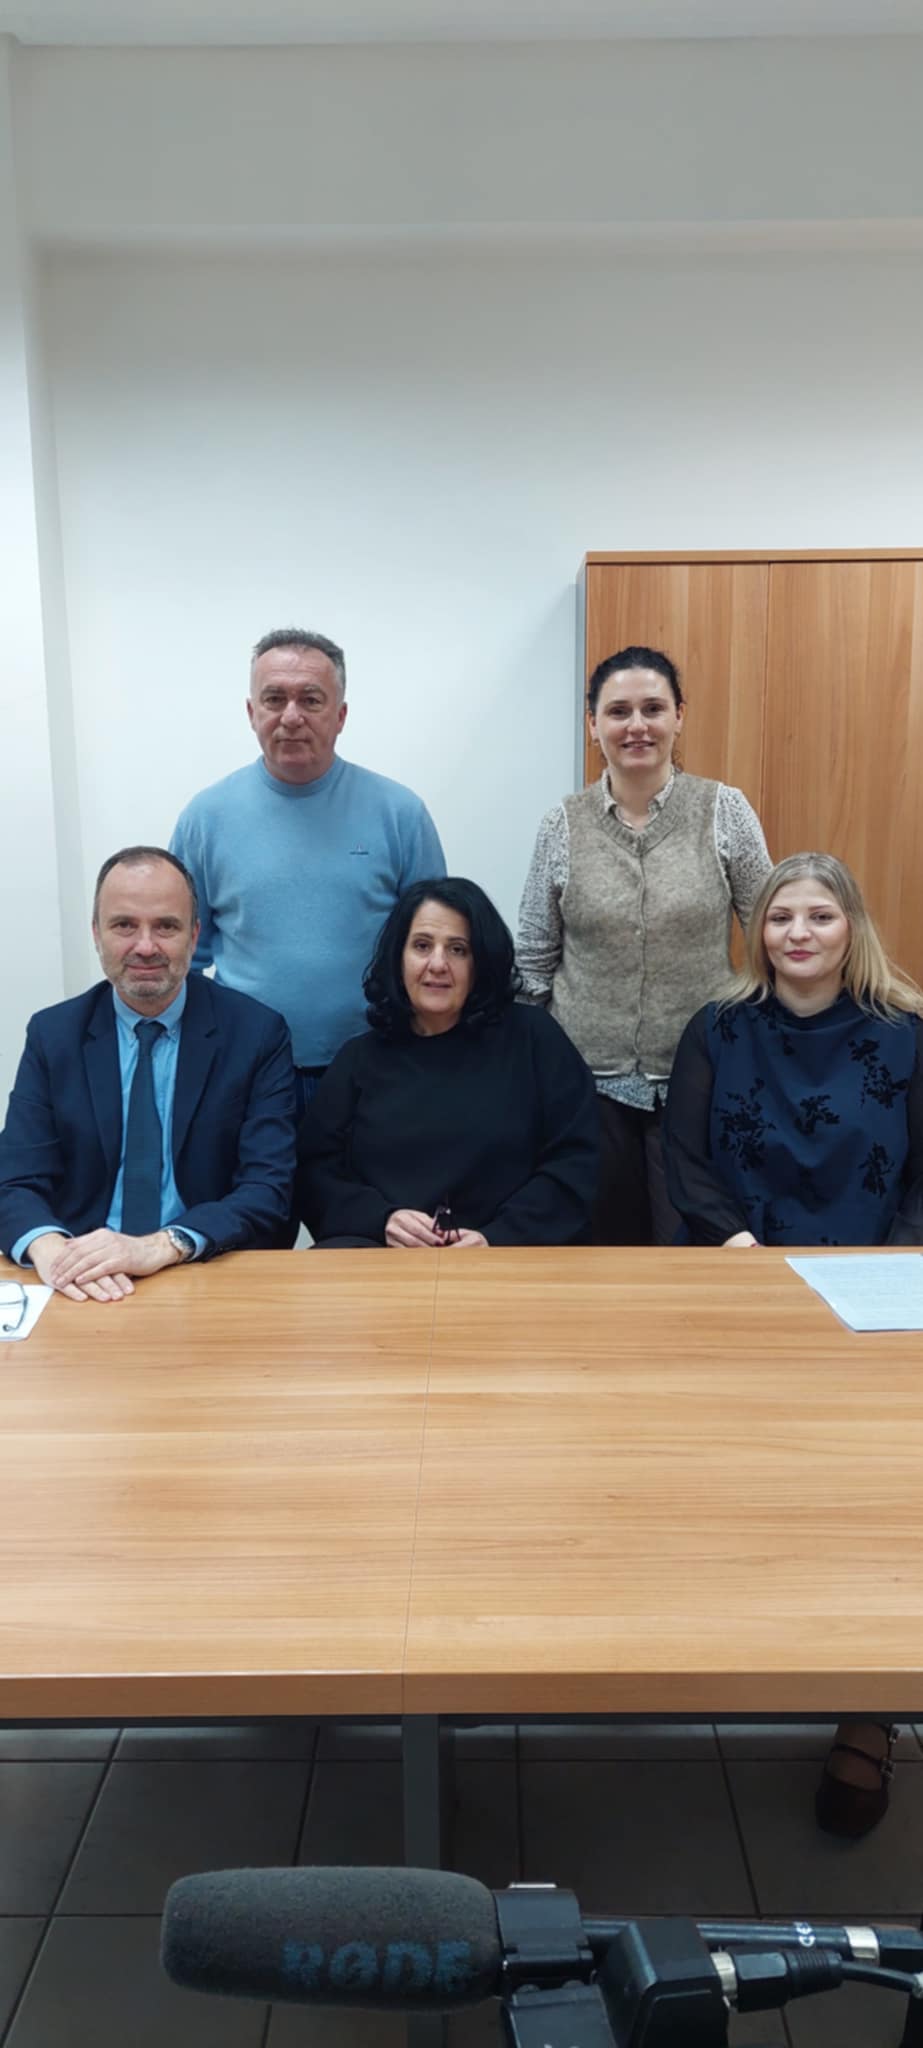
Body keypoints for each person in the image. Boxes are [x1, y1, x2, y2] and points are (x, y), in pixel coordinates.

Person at [662, 850, 923, 1840]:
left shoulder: (904, 1033)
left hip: (874, 1299)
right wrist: (739, 1250)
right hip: (743, 1285)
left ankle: (866, 1714)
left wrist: (888, 1272)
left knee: (872, 1511)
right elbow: (685, 1159)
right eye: (779, 917)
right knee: (747, 1493)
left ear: (851, 926)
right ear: (757, 931)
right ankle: (743, 1662)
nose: (797, 933)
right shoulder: (716, 1028)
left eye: (817, 915)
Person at [517, 645, 771, 1246]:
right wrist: (531, 1073)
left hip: (699, 1079)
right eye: (618, 711)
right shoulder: (562, 824)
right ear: (593, 724)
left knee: (687, 1247)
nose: (637, 726)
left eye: (653, 708)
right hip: (586, 1086)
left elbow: (771, 932)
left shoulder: (723, 810)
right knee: (599, 1252)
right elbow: (532, 961)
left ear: (679, 716)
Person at [0, 847, 297, 1302]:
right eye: (124, 925)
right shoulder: (53, 1035)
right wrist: (53, 1253)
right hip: (84, 1278)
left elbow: (267, 1189)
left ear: (194, 936)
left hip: (203, 1271)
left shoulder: (256, 1033)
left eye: (166, 926)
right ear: (96, 934)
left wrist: (160, 1246)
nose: (145, 946)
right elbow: (15, 1180)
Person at [170, 627, 445, 1112]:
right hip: (246, 1071)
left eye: (311, 700)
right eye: (274, 699)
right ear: (251, 712)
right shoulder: (205, 819)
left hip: (375, 1065)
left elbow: (435, 947)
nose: (291, 716)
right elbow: (181, 953)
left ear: (340, 716)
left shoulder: (400, 815)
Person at [297, 878, 599, 1249]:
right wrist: (381, 1220)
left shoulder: (535, 1039)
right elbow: (314, 1173)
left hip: (512, 1255)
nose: (438, 964)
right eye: (422, 946)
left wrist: (497, 1238)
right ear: (398, 957)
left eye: (458, 949)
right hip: (383, 1256)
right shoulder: (358, 1059)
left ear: (481, 961)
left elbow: (577, 1161)